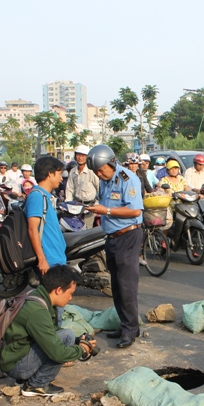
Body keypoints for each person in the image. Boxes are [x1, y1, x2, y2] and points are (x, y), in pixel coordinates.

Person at [0, 265, 95, 396]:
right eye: (70, 293)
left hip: (12, 356)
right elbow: (58, 353)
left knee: (68, 336)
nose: (70, 298)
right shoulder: (37, 311)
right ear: (59, 290)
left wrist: (78, 341)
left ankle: (25, 379)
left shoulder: (37, 296)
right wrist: (82, 349)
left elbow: (50, 332)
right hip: (15, 365)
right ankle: (37, 384)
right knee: (67, 337)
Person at [85, 145, 143, 349]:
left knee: (127, 285)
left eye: (102, 170)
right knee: (117, 284)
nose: (99, 174)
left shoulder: (128, 179)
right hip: (112, 237)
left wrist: (106, 210)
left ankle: (130, 330)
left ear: (111, 162)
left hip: (128, 234)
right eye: (96, 172)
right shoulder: (105, 181)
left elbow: (135, 211)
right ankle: (125, 324)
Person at [26, 156, 67, 275]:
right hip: (49, 261)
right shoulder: (37, 196)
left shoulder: (45, 196)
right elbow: (32, 228)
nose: (61, 178)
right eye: (59, 174)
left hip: (56, 259)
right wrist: (42, 259)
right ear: (50, 174)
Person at [66, 145, 99, 228]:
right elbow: (69, 189)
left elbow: (99, 188)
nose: (80, 158)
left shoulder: (91, 171)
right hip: (76, 206)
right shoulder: (73, 171)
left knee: (87, 229)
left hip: (90, 207)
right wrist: (68, 204)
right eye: (78, 155)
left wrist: (97, 204)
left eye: (83, 155)